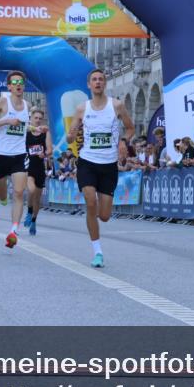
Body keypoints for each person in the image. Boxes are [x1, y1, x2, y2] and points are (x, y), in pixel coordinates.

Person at [66, 68, 136, 268]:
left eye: (101, 79)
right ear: (89, 85)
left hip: (108, 165)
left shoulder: (117, 106)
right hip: (87, 161)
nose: (98, 82)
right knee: (90, 202)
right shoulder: (82, 108)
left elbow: (131, 128)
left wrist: (123, 140)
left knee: (103, 216)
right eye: (94, 80)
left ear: (105, 84)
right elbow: (71, 135)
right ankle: (97, 252)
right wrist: (71, 134)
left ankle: (93, 219)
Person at [0, 70, 31, 249]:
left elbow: (24, 127)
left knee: (18, 193)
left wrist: (36, 129)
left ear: (23, 86)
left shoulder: (27, 105)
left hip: (19, 155)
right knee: (2, 194)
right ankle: (1, 198)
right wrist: (6, 121)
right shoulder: (2, 102)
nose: (18, 85)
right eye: (14, 82)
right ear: (9, 86)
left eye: (21, 82)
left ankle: (13, 231)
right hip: (0, 155)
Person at [24, 107, 52, 236]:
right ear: (31, 118)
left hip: (40, 168)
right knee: (31, 190)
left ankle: (34, 221)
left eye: (40, 119)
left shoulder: (46, 133)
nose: (38, 120)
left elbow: (50, 150)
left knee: (37, 199)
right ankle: (29, 212)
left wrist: (44, 153)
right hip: (29, 166)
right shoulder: (27, 131)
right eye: (36, 118)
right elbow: (25, 127)